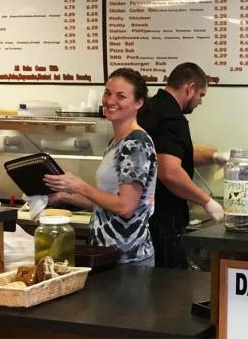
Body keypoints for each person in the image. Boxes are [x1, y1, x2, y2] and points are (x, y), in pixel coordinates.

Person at [43, 68, 157, 265]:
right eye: (107, 93)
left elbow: (126, 206)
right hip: (106, 253)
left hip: (129, 259)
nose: (110, 101)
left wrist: (81, 186)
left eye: (121, 96)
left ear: (138, 103)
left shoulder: (136, 143)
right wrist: (62, 194)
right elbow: (105, 204)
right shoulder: (117, 142)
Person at [137, 62, 225, 269]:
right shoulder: (173, 118)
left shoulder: (150, 107)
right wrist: (207, 202)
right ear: (190, 88)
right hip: (163, 220)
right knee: (168, 290)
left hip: (141, 215)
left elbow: (172, 153)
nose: (200, 102)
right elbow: (169, 172)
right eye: (201, 95)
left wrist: (215, 156)